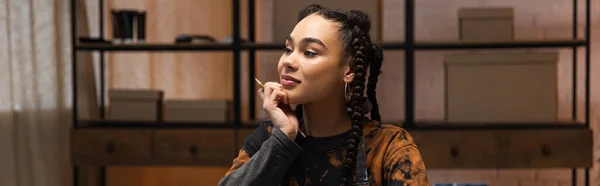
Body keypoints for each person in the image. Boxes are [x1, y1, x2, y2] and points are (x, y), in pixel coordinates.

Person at [219, 4, 430, 186]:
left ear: (349, 71)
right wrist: (283, 139)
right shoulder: (270, 137)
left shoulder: (389, 147)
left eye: (309, 52)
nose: (288, 62)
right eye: (288, 49)